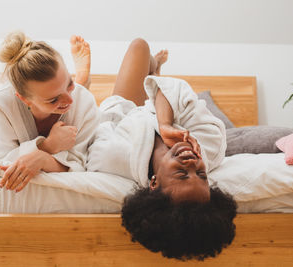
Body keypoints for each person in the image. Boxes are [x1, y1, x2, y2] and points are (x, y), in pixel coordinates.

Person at [85, 38, 237, 260]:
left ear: (154, 183)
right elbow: (177, 88)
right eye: (202, 174)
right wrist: (165, 123)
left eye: (182, 173)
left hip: (126, 110)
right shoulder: (210, 144)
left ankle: (152, 74)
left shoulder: (113, 158)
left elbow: (102, 122)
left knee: (139, 47)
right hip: (165, 108)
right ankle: (154, 72)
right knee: (150, 64)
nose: (193, 163)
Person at [0, 32, 100, 192]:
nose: (70, 100)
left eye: (69, 83)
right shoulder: (0, 104)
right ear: (24, 99)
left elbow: (80, 166)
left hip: (84, 100)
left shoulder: (83, 101)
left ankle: (81, 81)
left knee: (82, 96)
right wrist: (47, 146)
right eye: (53, 99)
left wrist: (42, 159)